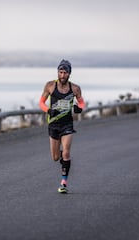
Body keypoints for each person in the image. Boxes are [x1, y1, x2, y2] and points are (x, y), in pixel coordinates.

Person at [39, 59, 85, 193]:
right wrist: (48, 110)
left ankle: (63, 183)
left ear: (70, 73)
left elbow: (81, 103)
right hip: (53, 124)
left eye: (65, 72)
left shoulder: (75, 88)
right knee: (55, 157)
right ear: (57, 72)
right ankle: (62, 160)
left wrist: (79, 108)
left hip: (67, 124)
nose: (62, 75)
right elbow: (41, 102)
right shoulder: (50, 86)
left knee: (66, 152)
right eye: (60, 72)